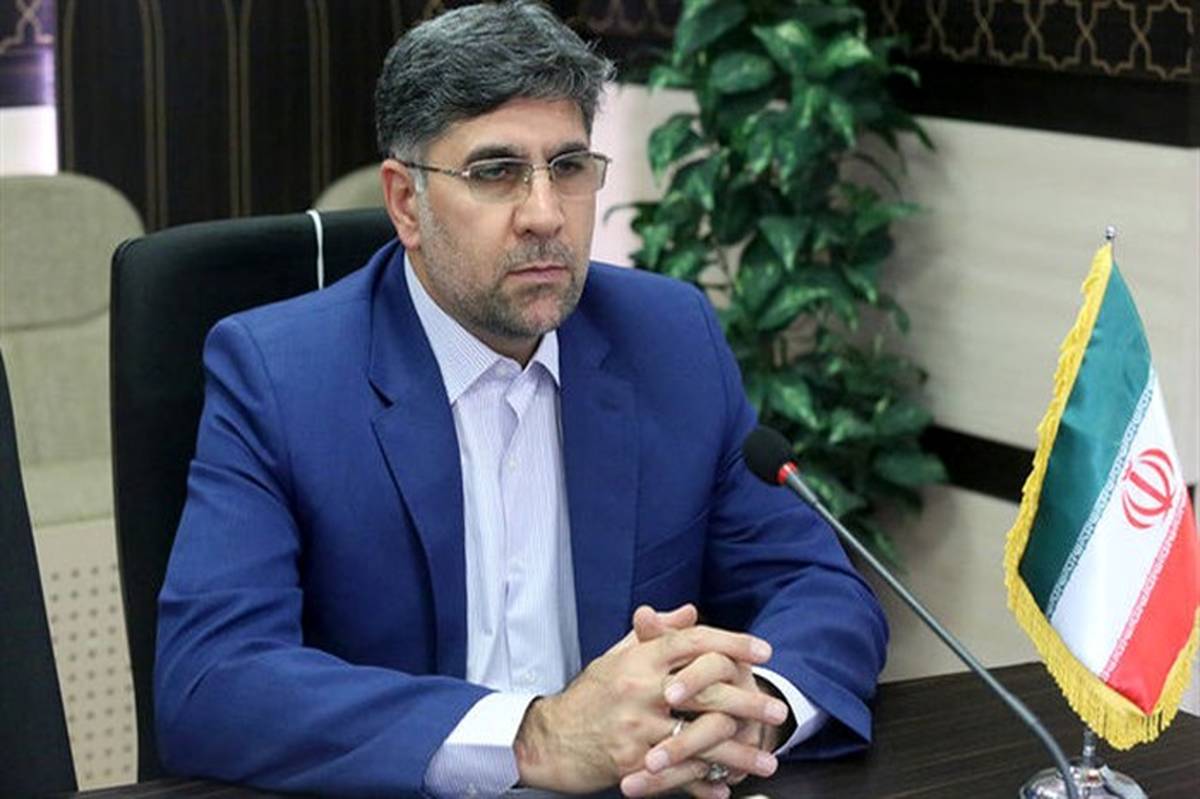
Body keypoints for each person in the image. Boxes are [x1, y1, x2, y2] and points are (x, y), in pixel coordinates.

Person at [154, 2, 887, 797]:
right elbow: (211, 680)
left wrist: (750, 711)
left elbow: (818, 589)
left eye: (568, 166)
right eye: (495, 172)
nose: (545, 214)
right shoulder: (280, 375)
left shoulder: (669, 340)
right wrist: (536, 737)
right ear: (406, 202)